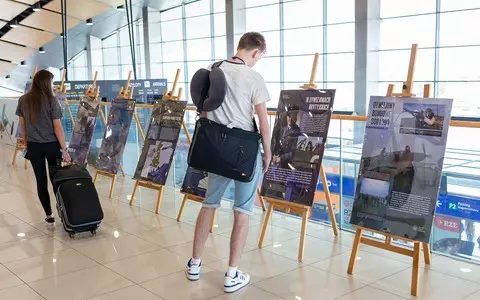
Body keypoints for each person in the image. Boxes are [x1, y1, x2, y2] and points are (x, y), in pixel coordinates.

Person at [186, 32, 271, 293]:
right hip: (244, 151)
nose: (257, 61)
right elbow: (264, 123)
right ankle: (232, 274)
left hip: (215, 149)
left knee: (209, 204)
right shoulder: (254, 78)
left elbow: (203, 108)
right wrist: (268, 152)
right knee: (242, 211)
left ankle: (195, 264)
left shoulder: (214, 68)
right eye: (259, 57)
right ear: (255, 52)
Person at [15, 69, 71, 224]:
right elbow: (58, 128)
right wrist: (64, 150)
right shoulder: (52, 101)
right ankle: (64, 212)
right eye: (52, 82)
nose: (53, 85)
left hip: (34, 147)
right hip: (52, 146)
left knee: (41, 181)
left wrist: (26, 144)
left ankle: (49, 215)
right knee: (56, 180)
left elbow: (22, 125)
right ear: (46, 83)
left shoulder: (23, 100)